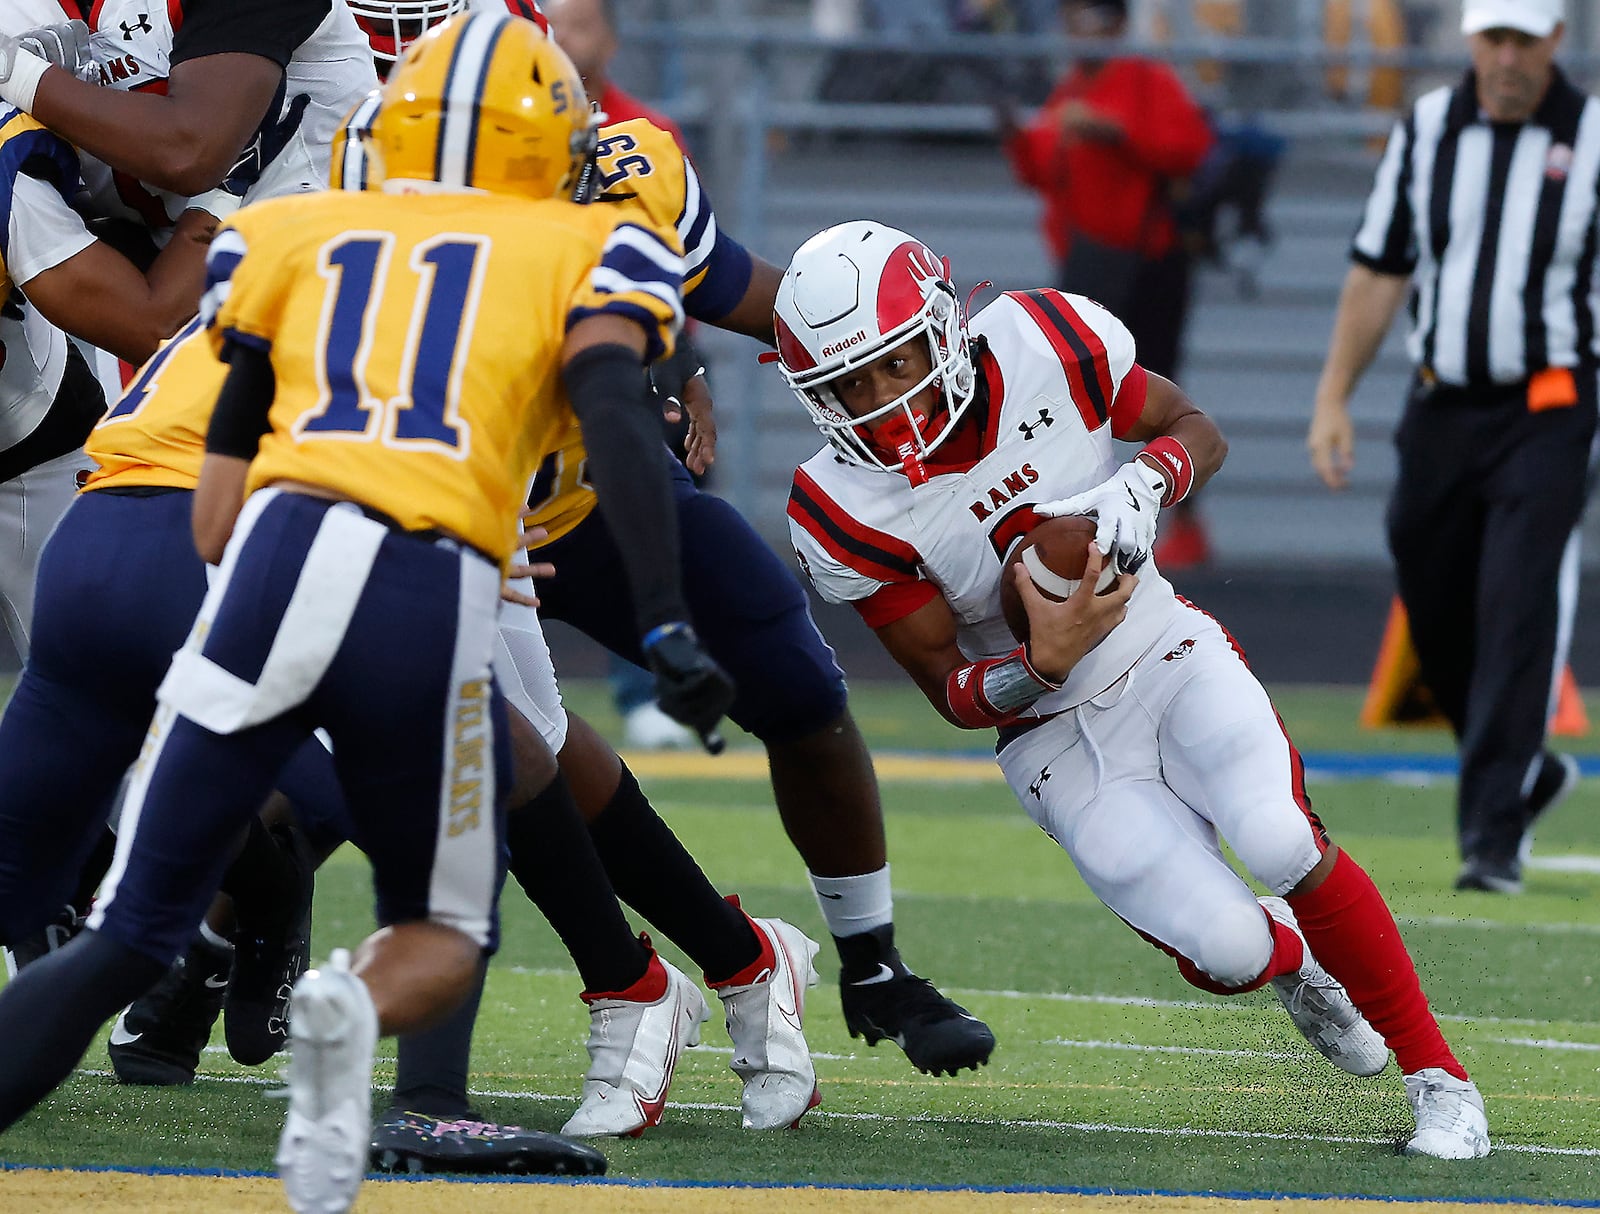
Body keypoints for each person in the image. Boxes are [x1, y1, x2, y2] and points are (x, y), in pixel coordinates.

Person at [0, 16, 739, 1213]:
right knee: (450, 900)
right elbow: (617, 419)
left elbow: (228, 447)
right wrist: (661, 620)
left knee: (127, 934)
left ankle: (266, 950)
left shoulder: (299, 225)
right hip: (406, 572)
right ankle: (366, 1016)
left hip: (217, 542)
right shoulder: (587, 245)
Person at [342, 0, 996, 1080]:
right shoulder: (349, 177)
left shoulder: (626, 171)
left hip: (580, 499)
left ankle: (853, 962)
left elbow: (742, 293)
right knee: (414, 765)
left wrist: (893, 353)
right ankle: (212, 955)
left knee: (784, 684)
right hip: (428, 506)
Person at [773, 218, 1492, 1160]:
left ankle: (1441, 1084)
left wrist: (1147, 483)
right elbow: (946, 687)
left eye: (895, 364)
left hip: (1161, 646)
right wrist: (1041, 662)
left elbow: (1198, 430)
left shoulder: (1046, 339)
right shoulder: (839, 507)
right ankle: (1298, 962)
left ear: (943, 328)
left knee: (1278, 836)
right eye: (846, 386)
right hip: (1051, 739)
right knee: (1232, 951)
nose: (878, 403)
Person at [1307, 0, 1592, 895]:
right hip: (1439, 404)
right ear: (1471, 39)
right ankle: (1521, 768)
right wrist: (1333, 397)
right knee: (1431, 594)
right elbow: (1380, 267)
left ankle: (1493, 835)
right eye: (1493, 39)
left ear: (1556, 39)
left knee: (1516, 603)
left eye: (1525, 40)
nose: (1507, 58)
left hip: (1550, 405)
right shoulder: (1427, 127)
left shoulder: (1590, 138)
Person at [997, 0, 1215, 569]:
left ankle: (1183, 523)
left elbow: (1188, 149)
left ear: (1117, 24)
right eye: (1071, 17)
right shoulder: (1068, 88)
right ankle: (1073, 514)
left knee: (1160, 392)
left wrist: (1113, 131)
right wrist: (1014, 136)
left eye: (1089, 16)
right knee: (1070, 388)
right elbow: (1043, 171)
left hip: (1149, 263)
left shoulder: (1147, 80)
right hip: (1088, 270)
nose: (1077, 29)